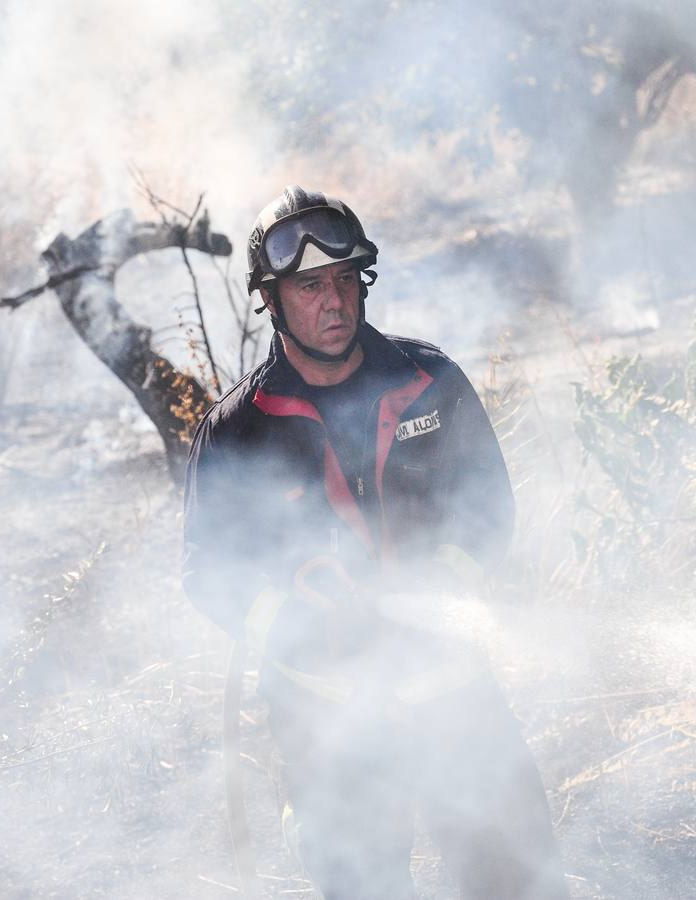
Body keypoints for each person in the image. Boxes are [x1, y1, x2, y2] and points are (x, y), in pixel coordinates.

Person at [182, 186, 566, 898]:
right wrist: (304, 624)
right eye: (307, 286)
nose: (333, 302)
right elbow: (209, 573)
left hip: (454, 696)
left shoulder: (431, 384)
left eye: (343, 280)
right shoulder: (238, 431)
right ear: (270, 299)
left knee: (521, 883)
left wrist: (441, 578)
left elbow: (490, 512)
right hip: (330, 727)